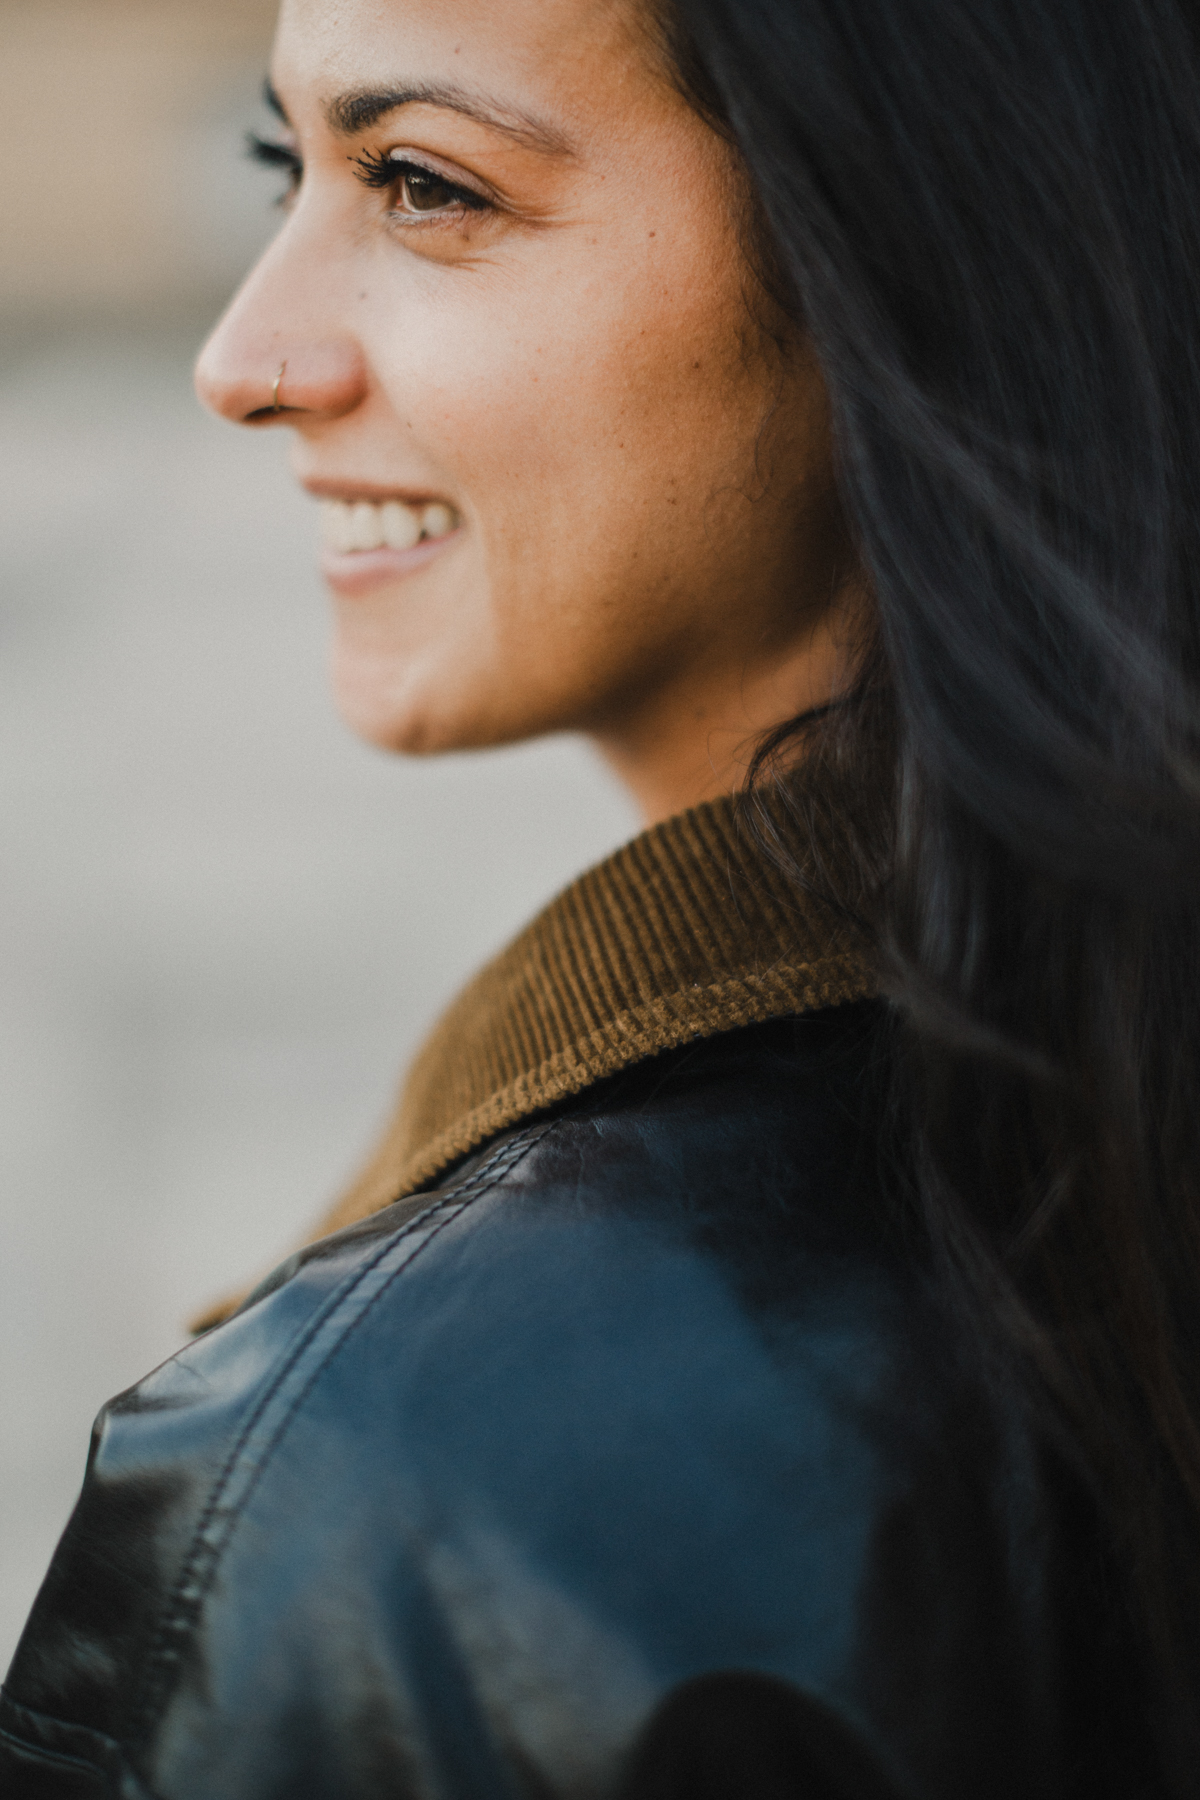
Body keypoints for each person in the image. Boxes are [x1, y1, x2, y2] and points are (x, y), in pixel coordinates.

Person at [3, 0, 1198, 1792]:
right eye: (286, 164)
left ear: (893, 249)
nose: (243, 356)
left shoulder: (417, 1479)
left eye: (420, 184)